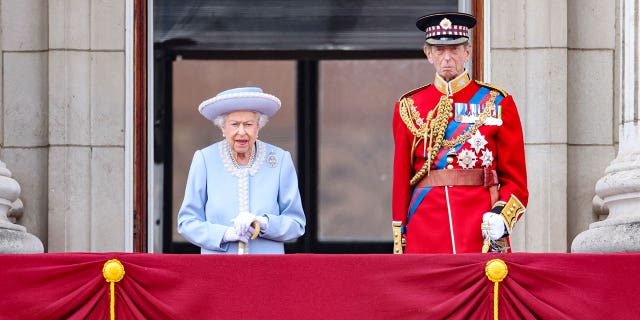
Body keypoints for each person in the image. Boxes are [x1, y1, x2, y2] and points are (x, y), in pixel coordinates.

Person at [391, 12, 528, 254]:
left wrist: (502, 216)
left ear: (468, 52)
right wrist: (400, 237)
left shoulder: (497, 102)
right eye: (439, 51)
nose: (447, 58)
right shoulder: (409, 106)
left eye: (454, 50)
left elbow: (516, 180)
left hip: (480, 224)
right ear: (428, 54)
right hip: (425, 226)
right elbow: (402, 180)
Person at [178, 87, 306, 254]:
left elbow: (296, 224)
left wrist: (263, 224)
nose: (241, 132)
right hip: (217, 269)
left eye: (248, 124)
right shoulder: (205, 159)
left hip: (267, 269)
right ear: (223, 128)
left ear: (258, 127)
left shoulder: (280, 160)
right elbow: (187, 223)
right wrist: (224, 234)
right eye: (234, 124)